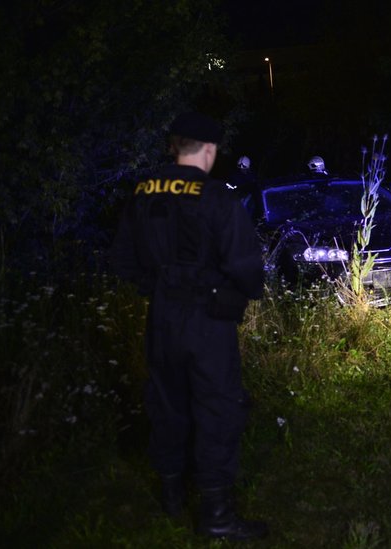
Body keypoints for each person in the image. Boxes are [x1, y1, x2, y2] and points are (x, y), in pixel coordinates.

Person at [108, 111, 269, 541]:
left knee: (167, 402)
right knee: (217, 408)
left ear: (175, 147)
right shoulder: (217, 197)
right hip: (208, 320)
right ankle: (216, 515)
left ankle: (172, 496)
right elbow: (247, 268)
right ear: (210, 150)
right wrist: (241, 290)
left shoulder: (142, 191)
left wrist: (159, 286)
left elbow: (122, 259)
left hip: (161, 317)